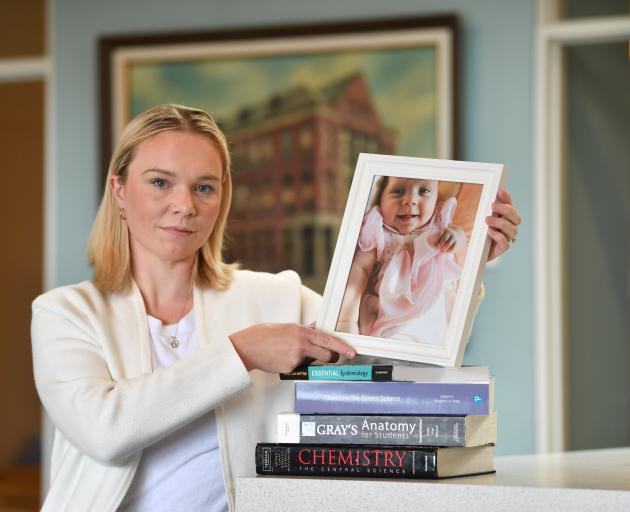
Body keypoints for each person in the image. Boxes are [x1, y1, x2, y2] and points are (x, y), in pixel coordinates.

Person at [31, 104, 520, 511]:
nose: (185, 205)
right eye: (160, 182)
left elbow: (402, 362)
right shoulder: (65, 313)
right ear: (119, 190)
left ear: (221, 199)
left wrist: (466, 266)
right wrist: (242, 352)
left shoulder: (278, 297)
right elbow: (104, 432)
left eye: (204, 187)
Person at [336, 176, 467, 344]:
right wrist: (346, 321)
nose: (410, 200)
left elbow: (462, 253)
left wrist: (457, 238)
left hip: (428, 321)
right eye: (397, 191)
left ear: (436, 200)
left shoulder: (440, 228)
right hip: (388, 318)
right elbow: (359, 272)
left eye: (424, 191)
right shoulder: (379, 232)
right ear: (380, 199)